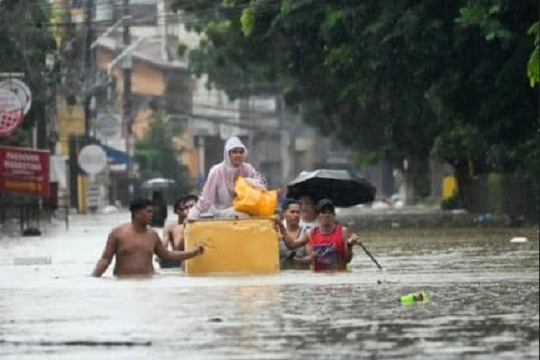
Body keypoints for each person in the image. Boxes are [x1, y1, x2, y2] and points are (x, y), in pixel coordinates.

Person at [92, 198, 205, 278]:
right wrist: (94, 278)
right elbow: (105, 260)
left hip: (148, 282)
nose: (152, 215)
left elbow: (167, 255)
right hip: (124, 284)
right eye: (148, 212)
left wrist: (193, 253)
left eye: (152, 212)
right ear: (136, 214)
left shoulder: (152, 235)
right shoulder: (117, 233)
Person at [188, 137, 267, 220]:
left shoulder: (248, 169)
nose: (238, 155)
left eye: (241, 152)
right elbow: (206, 199)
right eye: (235, 152)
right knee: (242, 216)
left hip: (247, 212)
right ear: (227, 154)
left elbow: (262, 186)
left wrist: (246, 181)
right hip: (222, 214)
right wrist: (193, 214)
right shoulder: (216, 171)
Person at [297, 199, 359, 272]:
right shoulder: (310, 233)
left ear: (334, 215)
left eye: (330, 212)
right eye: (323, 212)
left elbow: (347, 260)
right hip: (318, 277)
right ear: (317, 215)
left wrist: (349, 245)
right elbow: (292, 245)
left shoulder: (343, 231)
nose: (327, 215)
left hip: (339, 276)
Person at [160, 195, 198, 269]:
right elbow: (168, 246)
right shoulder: (172, 227)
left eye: (192, 207)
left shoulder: (206, 222)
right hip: (180, 260)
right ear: (175, 211)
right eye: (184, 208)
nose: (186, 210)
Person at [278, 200, 310, 270]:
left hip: (302, 275)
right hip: (282, 276)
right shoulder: (277, 232)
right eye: (292, 212)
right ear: (284, 213)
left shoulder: (306, 231)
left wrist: (298, 261)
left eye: (298, 212)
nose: (296, 215)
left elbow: (311, 257)